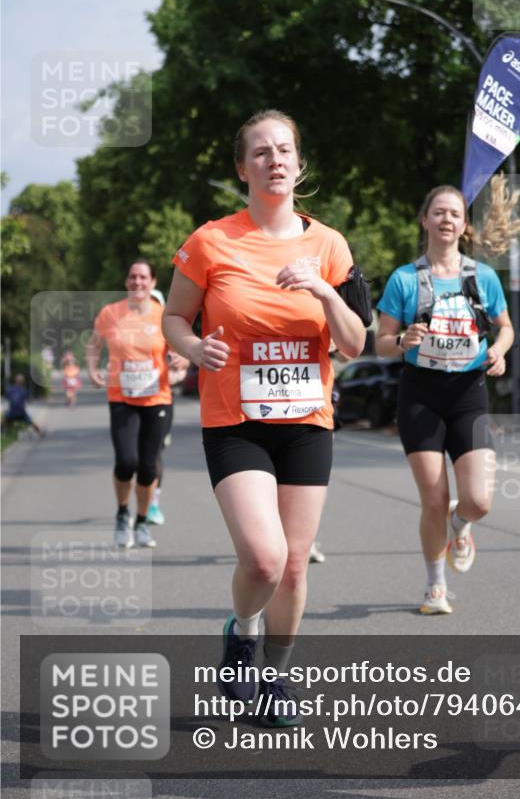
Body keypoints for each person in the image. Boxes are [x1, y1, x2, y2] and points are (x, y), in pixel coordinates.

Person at [163, 109, 365, 726]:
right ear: (242, 169)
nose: (274, 159)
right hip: (236, 421)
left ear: (299, 164)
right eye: (260, 152)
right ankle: (243, 627)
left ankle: (276, 675)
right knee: (263, 559)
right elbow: (172, 319)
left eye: (284, 150)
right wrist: (195, 348)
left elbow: (355, 344)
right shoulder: (211, 241)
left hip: (307, 420)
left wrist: (325, 292)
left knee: (296, 564)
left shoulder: (329, 245)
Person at [376, 176, 520, 615]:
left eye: (455, 214)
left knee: (478, 500)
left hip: (468, 392)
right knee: (434, 499)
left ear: (464, 225)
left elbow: (505, 327)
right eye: (438, 211)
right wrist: (404, 338)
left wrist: (498, 352)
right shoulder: (405, 280)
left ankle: (461, 526)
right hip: (421, 395)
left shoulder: (482, 278)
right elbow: (381, 341)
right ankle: (435, 585)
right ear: (425, 220)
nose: (446, 219)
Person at [86, 261, 188, 549]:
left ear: (153, 282)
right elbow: (94, 344)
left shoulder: (165, 316)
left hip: (157, 398)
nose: (137, 281)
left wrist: (182, 363)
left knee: (147, 465)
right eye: (132, 276)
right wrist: (93, 369)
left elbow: (183, 348)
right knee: (126, 461)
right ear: (126, 281)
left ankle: (142, 522)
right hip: (122, 397)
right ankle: (122, 514)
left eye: (143, 277)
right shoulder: (110, 313)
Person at [146, 289, 188, 526]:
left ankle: (153, 504)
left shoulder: (168, 333)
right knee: (133, 458)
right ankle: (141, 500)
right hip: (131, 402)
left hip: (161, 400)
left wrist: (173, 373)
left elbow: (183, 363)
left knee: (154, 454)